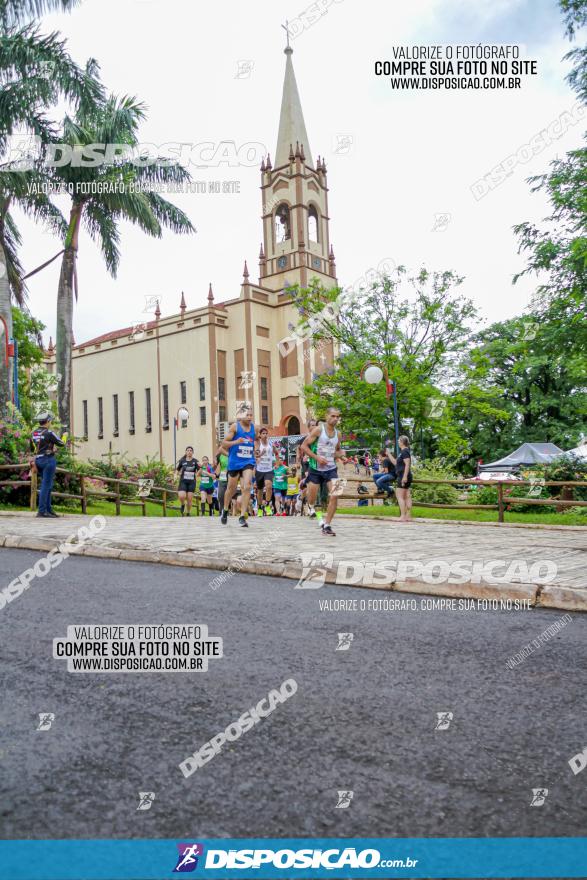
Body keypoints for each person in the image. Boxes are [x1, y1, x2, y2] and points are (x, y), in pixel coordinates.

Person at [301, 407, 345, 537]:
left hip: (331, 469)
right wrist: (317, 458)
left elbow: (336, 451)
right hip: (315, 469)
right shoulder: (319, 429)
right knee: (312, 498)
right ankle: (310, 506)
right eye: (333, 416)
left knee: (336, 494)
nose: (335, 419)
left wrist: (342, 456)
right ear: (326, 416)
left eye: (337, 416)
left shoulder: (339, 434)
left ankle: (327, 525)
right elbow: (303, 446)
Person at [219, 406, 256, 527]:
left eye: (251, 415)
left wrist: (256, 452)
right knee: (231, 489)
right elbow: (223, 444)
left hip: (248, 461)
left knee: (247, 486)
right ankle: (225, 510)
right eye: (247, 415)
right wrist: (236, 442)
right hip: (234, 462)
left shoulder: (254, 428)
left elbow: (255, 442)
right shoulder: (235, 427)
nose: (250, 417)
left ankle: (242, 516)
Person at [31, 413, 66, 518]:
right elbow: (61, 443)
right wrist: (65, 436)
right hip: (48, 460)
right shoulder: (49, 432)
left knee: (48, 485)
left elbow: (33, 448)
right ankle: (42, 511)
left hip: (38, 460)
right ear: (48, 421)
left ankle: (49, 510)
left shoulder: (33, 433)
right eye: (50, 421)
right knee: (46, 486)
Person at [388, 435, 413, 522]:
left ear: (402, 442)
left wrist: (405, 477)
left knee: (400, 496)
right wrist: (388, 454)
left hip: (403, 476)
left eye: (399, 441)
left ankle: (403, 516)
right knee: (406, 496)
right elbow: (395, 462)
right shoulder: (403, 452)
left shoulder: (405, 451)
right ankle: (408, 516)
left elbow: (407, 464)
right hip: (403, 475)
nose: (398, 442)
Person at [254, 427, 274, 515]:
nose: (265, 435)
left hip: (269, 470)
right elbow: (256, 456)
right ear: (260, 435)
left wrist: (276, 463)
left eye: (266, 433)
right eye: (263, 433)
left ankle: (267, 505)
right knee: (260, 490)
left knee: (269, 486)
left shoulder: (270, 444)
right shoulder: (258, 444)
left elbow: (277, 452)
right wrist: (261, 455)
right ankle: (259, 508)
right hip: (259, 470)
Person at [176, 446, 199, 516]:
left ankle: (188, 512)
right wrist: (175, 475)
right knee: (181, 496)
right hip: (183, 481)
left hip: (192, 482)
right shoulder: (182, 461)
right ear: (186, 452)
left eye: (191, 450)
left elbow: (200, 470)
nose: (189, 452)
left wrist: (197, 474)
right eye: (188, 450)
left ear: (192, 452)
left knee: (189, 499)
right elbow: (177, 469)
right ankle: (183, 504)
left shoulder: (195, 461)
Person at [215, 446, 229, 514]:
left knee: (229, 494)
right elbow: (217, 466)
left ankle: (227, 510)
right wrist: (216, 474)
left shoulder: (232, 453)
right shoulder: (219, 456)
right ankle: (221, 509)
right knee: (220, 495)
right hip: (222, 477)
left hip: (231, 477)